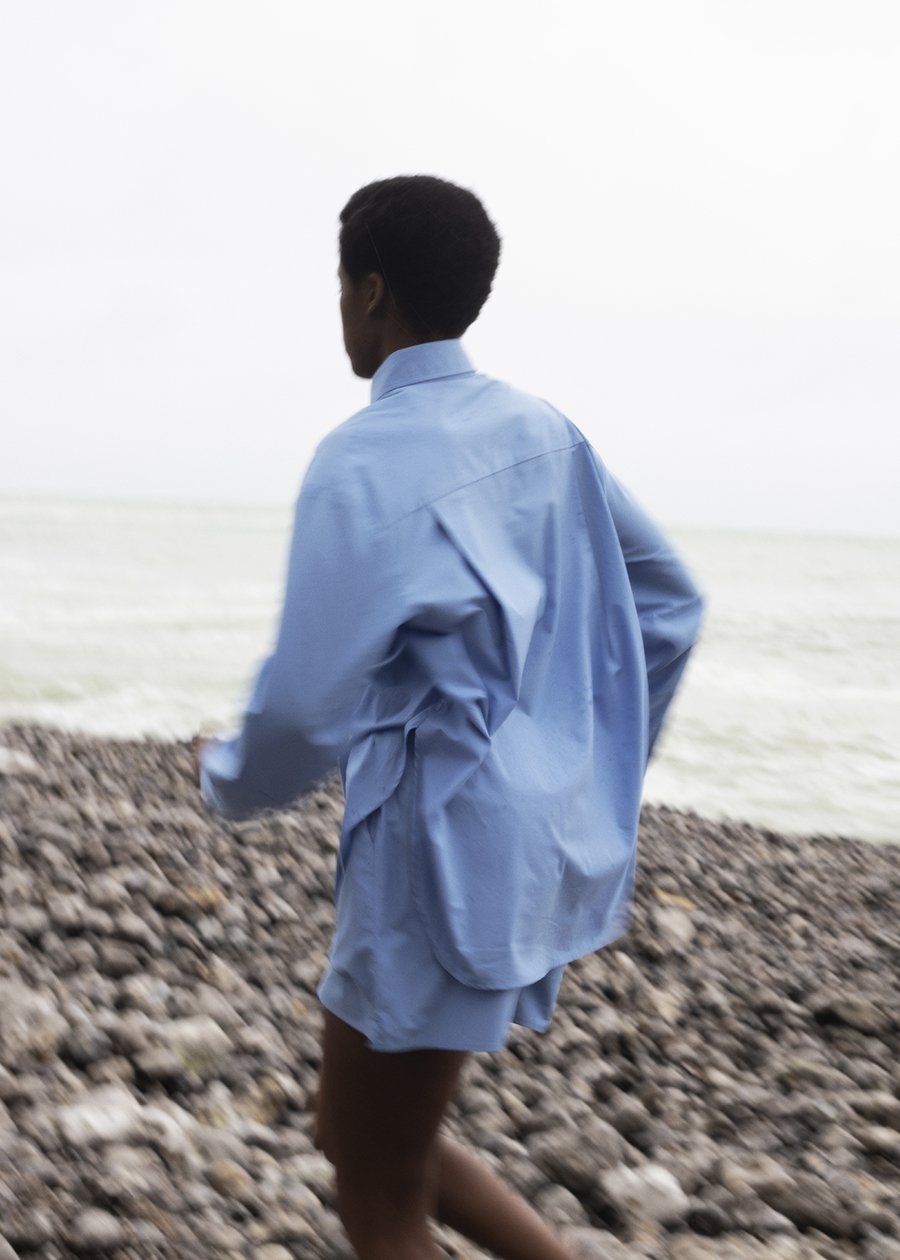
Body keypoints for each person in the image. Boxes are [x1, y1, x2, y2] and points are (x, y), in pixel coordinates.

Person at [194, 174, 704, 1260]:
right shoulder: (542, 430)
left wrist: (224, 779)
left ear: (373, 291)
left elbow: (303, 709)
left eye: (341, 284)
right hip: (521, 846)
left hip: (427, 855)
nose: (339, 306)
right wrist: (580, 761)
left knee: (378, 1198)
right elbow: (669, 603)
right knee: (361, 1136)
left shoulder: (365, 457)